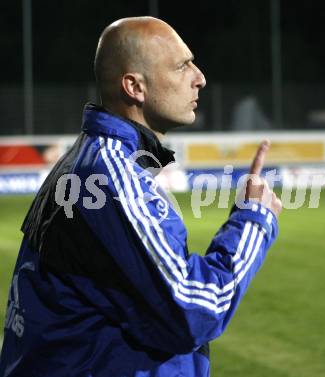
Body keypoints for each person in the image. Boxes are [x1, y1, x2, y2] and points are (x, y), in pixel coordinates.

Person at [0, 17, 282, 377]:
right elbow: (195, 309)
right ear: (134, 86)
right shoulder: (107, 177)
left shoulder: (93, 161)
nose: (200, 77)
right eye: (182, 66)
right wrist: (254, 220)